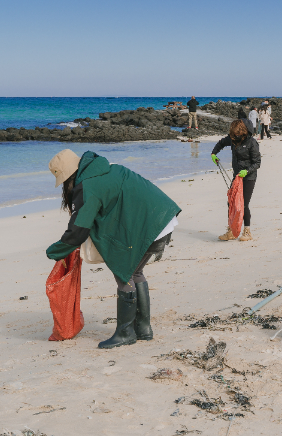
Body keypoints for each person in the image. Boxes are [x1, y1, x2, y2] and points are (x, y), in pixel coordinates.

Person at [46, 149, 181, 349]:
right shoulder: (106, 170)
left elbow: (78, 230)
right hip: (163, 218)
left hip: (153, 224)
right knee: (135, 271)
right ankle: (143, 328)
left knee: (124, 272)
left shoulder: (87, 186)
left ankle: (126, 332)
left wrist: (55, 251)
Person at [211, 120, 261, 241]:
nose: (235, 136)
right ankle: (231, 232)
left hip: (249, 177)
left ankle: (247, 232)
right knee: (231, 203)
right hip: (237, 176)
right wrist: (214, 153)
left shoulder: (251, 142)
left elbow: (257, 162)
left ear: (243, 131)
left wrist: (247, 171)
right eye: (234, 133)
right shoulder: (232, 139)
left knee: (243, 205)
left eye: (238, 133)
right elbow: (221, 143)